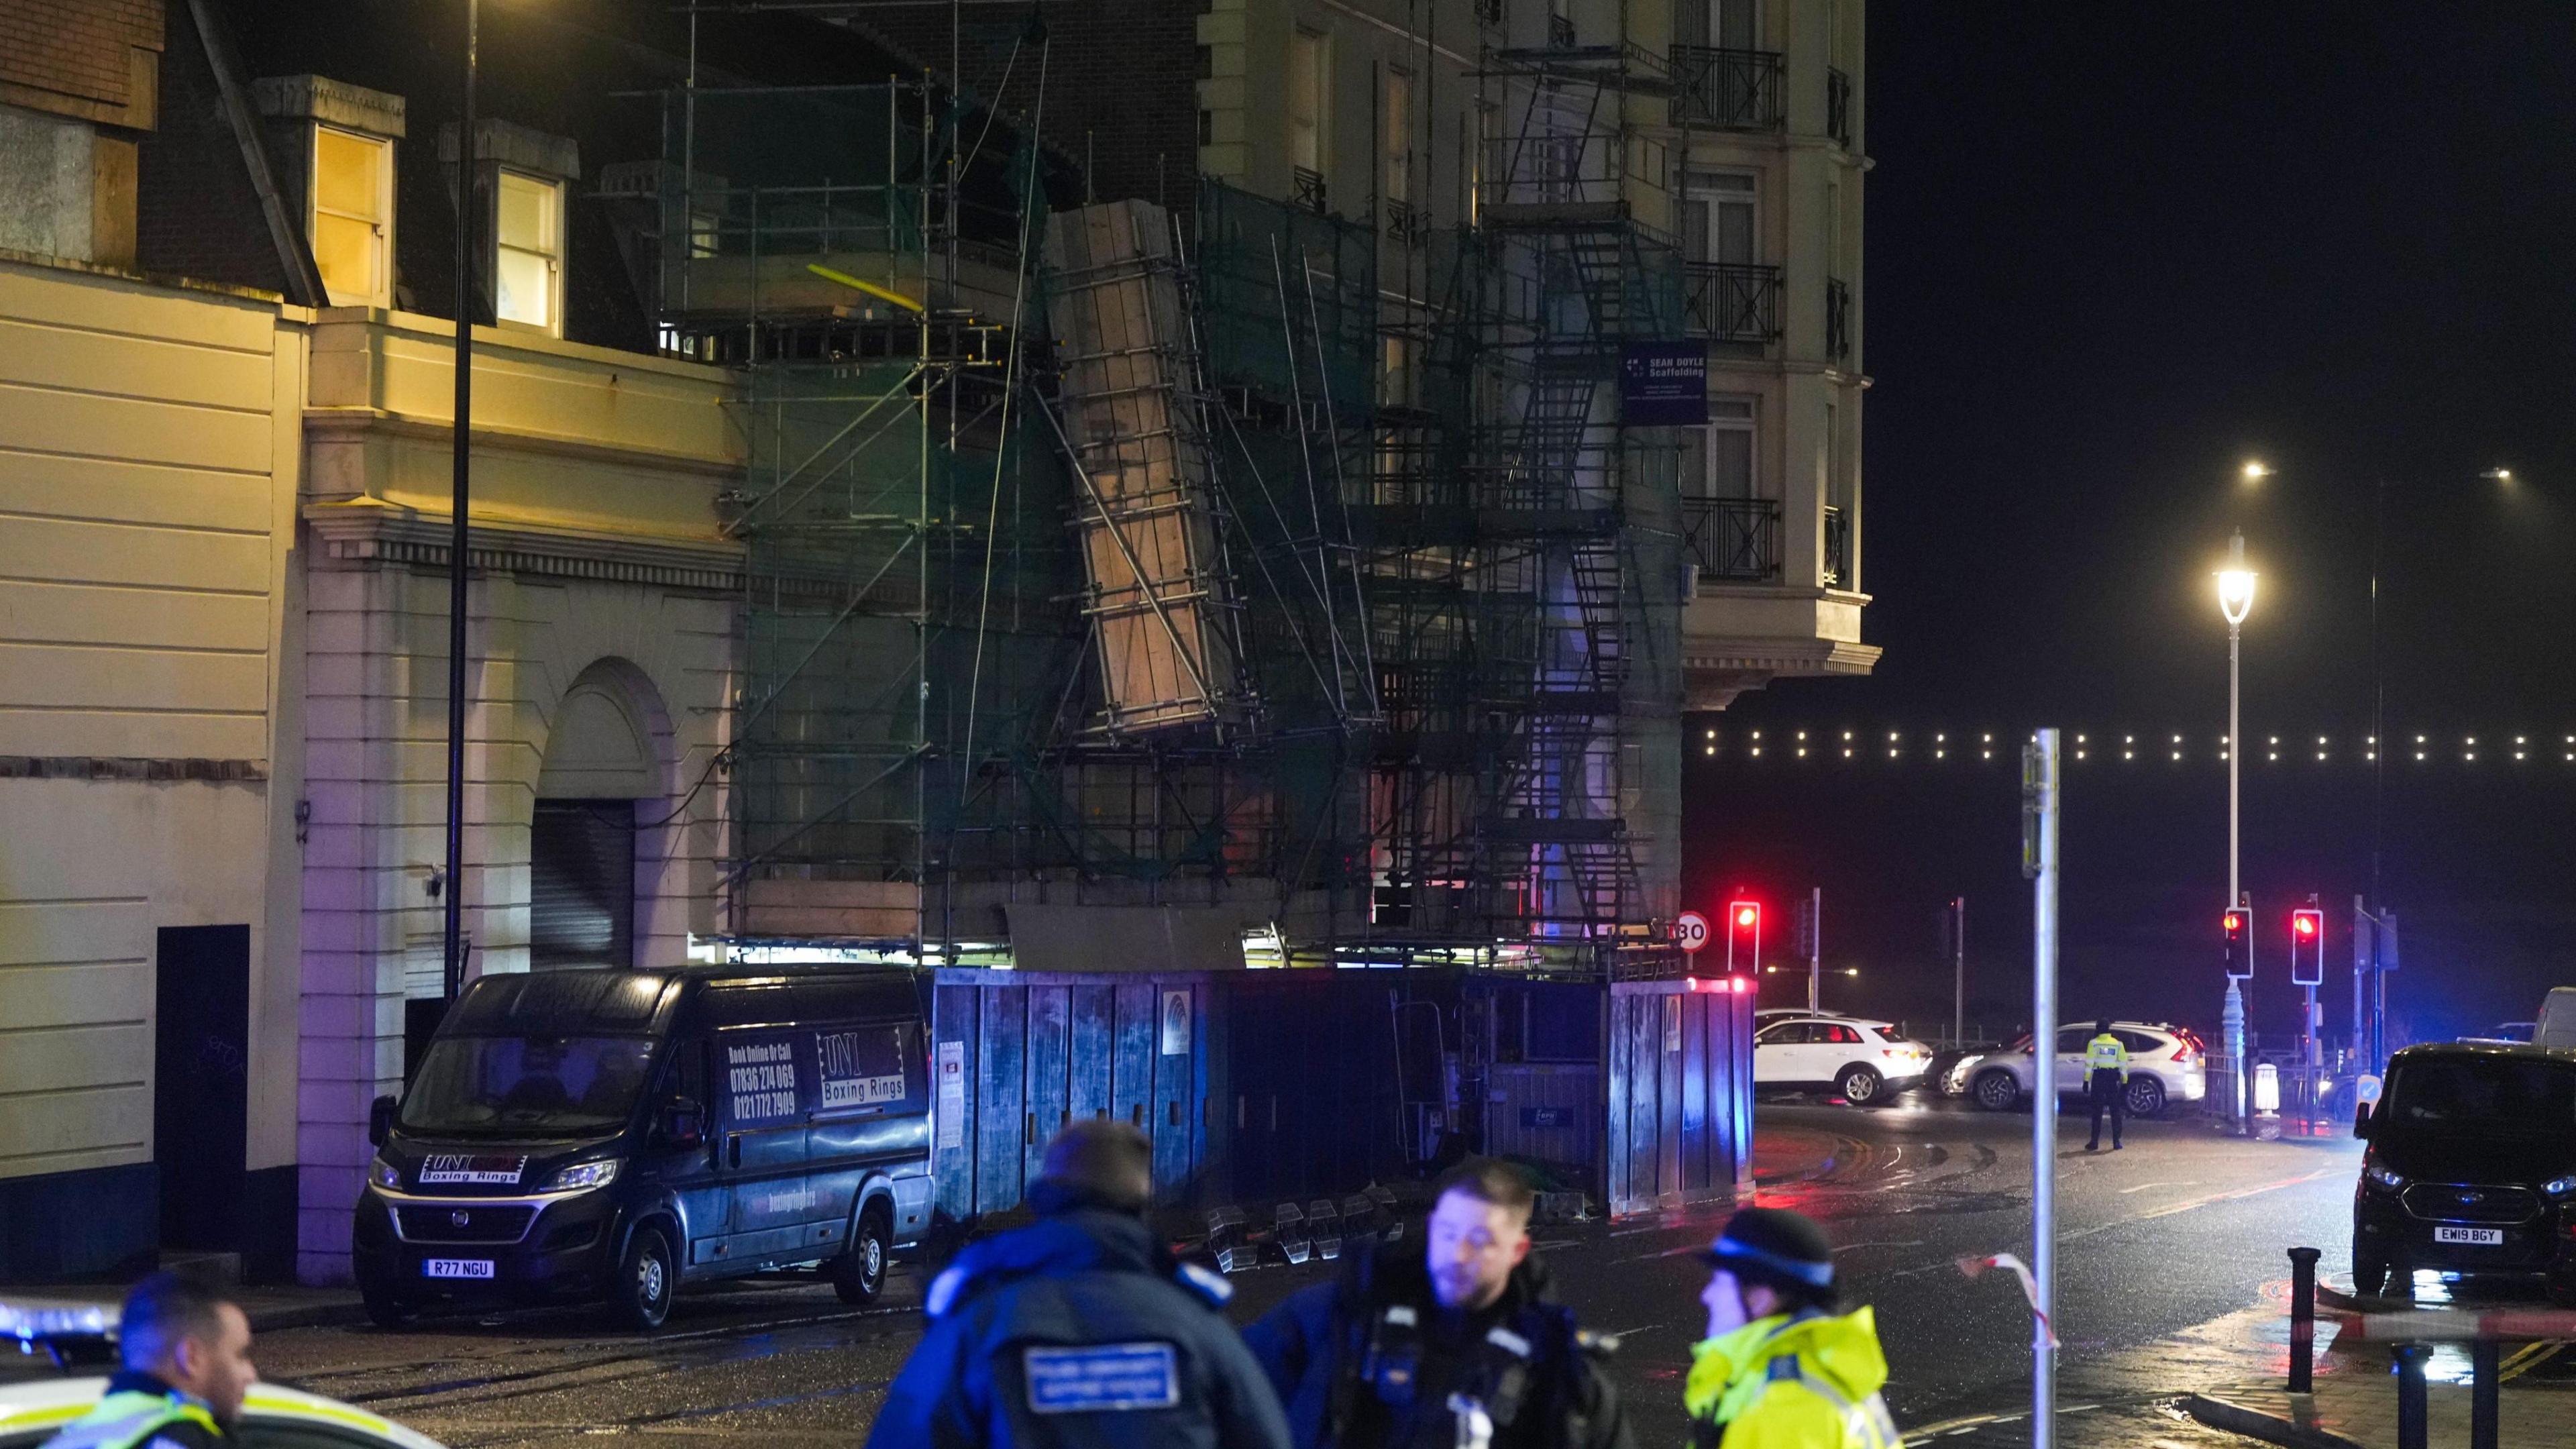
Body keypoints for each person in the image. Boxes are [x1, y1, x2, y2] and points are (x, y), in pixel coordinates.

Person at [866, 1119, 1291, 1448]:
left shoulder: (983, 1321)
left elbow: (907, 1431)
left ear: (1047, 1200)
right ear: (1140, 1207)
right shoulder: (1198, 1326)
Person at [1244, 1158, 1630, 1449]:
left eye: (1481, 1241)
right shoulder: (1339, 1318)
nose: (1458, 1255)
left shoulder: (1557, 1373)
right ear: (1431, 1228)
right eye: (1448, 1234)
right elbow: (1223, 1394)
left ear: (1519, 1250)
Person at [1682, 1208, 1898, 1449]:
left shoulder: (1782, 1410)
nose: (1707, 1296)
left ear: (1761, 1297)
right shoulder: (1818, 1372)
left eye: (1720, 1283)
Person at [46, 1273, 258, 1449]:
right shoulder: (187, 1439)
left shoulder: (75, 1436)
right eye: (240, 1355)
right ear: (192, 1358)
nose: (251, 1374)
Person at [2083, 1019, 2129, 1151]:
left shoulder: (2094, 1044)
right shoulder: (2118, 1044)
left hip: (2099, 1079)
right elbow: (2123, 1064)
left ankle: (2094, 1142)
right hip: (2112, 1080)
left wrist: (2086, 1081)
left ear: (2098, 1029)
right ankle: (2116, 1141)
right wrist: (2125, 1081)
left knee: (2097, 1112)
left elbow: (2089, 1064)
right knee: (2115, 1111)